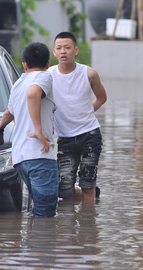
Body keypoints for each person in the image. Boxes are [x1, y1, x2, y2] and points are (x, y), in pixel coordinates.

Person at [0, 42, 58, 217]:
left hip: (21, 158)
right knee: (46, 214)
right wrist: (38, 130)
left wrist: (1, 124)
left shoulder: (18, 84)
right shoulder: (44, 77)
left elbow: (10, 112)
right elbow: (33, 94)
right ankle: (41, 243)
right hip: (40, 154)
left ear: (24, 64)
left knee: (37, 208)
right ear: (48, 65)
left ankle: (32, 243)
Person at [49, 31, 107, 204]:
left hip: (90, 134)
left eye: (67, 47)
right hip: (65, 138)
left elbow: (102, 98)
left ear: (76, 50)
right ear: (54, 52)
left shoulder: (89, 74)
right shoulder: (48, 75)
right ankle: (88, 197)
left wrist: (86, 112)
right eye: (59, 48)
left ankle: (87, 227)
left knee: (87, 183)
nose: (63, 52)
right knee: (64, 190)